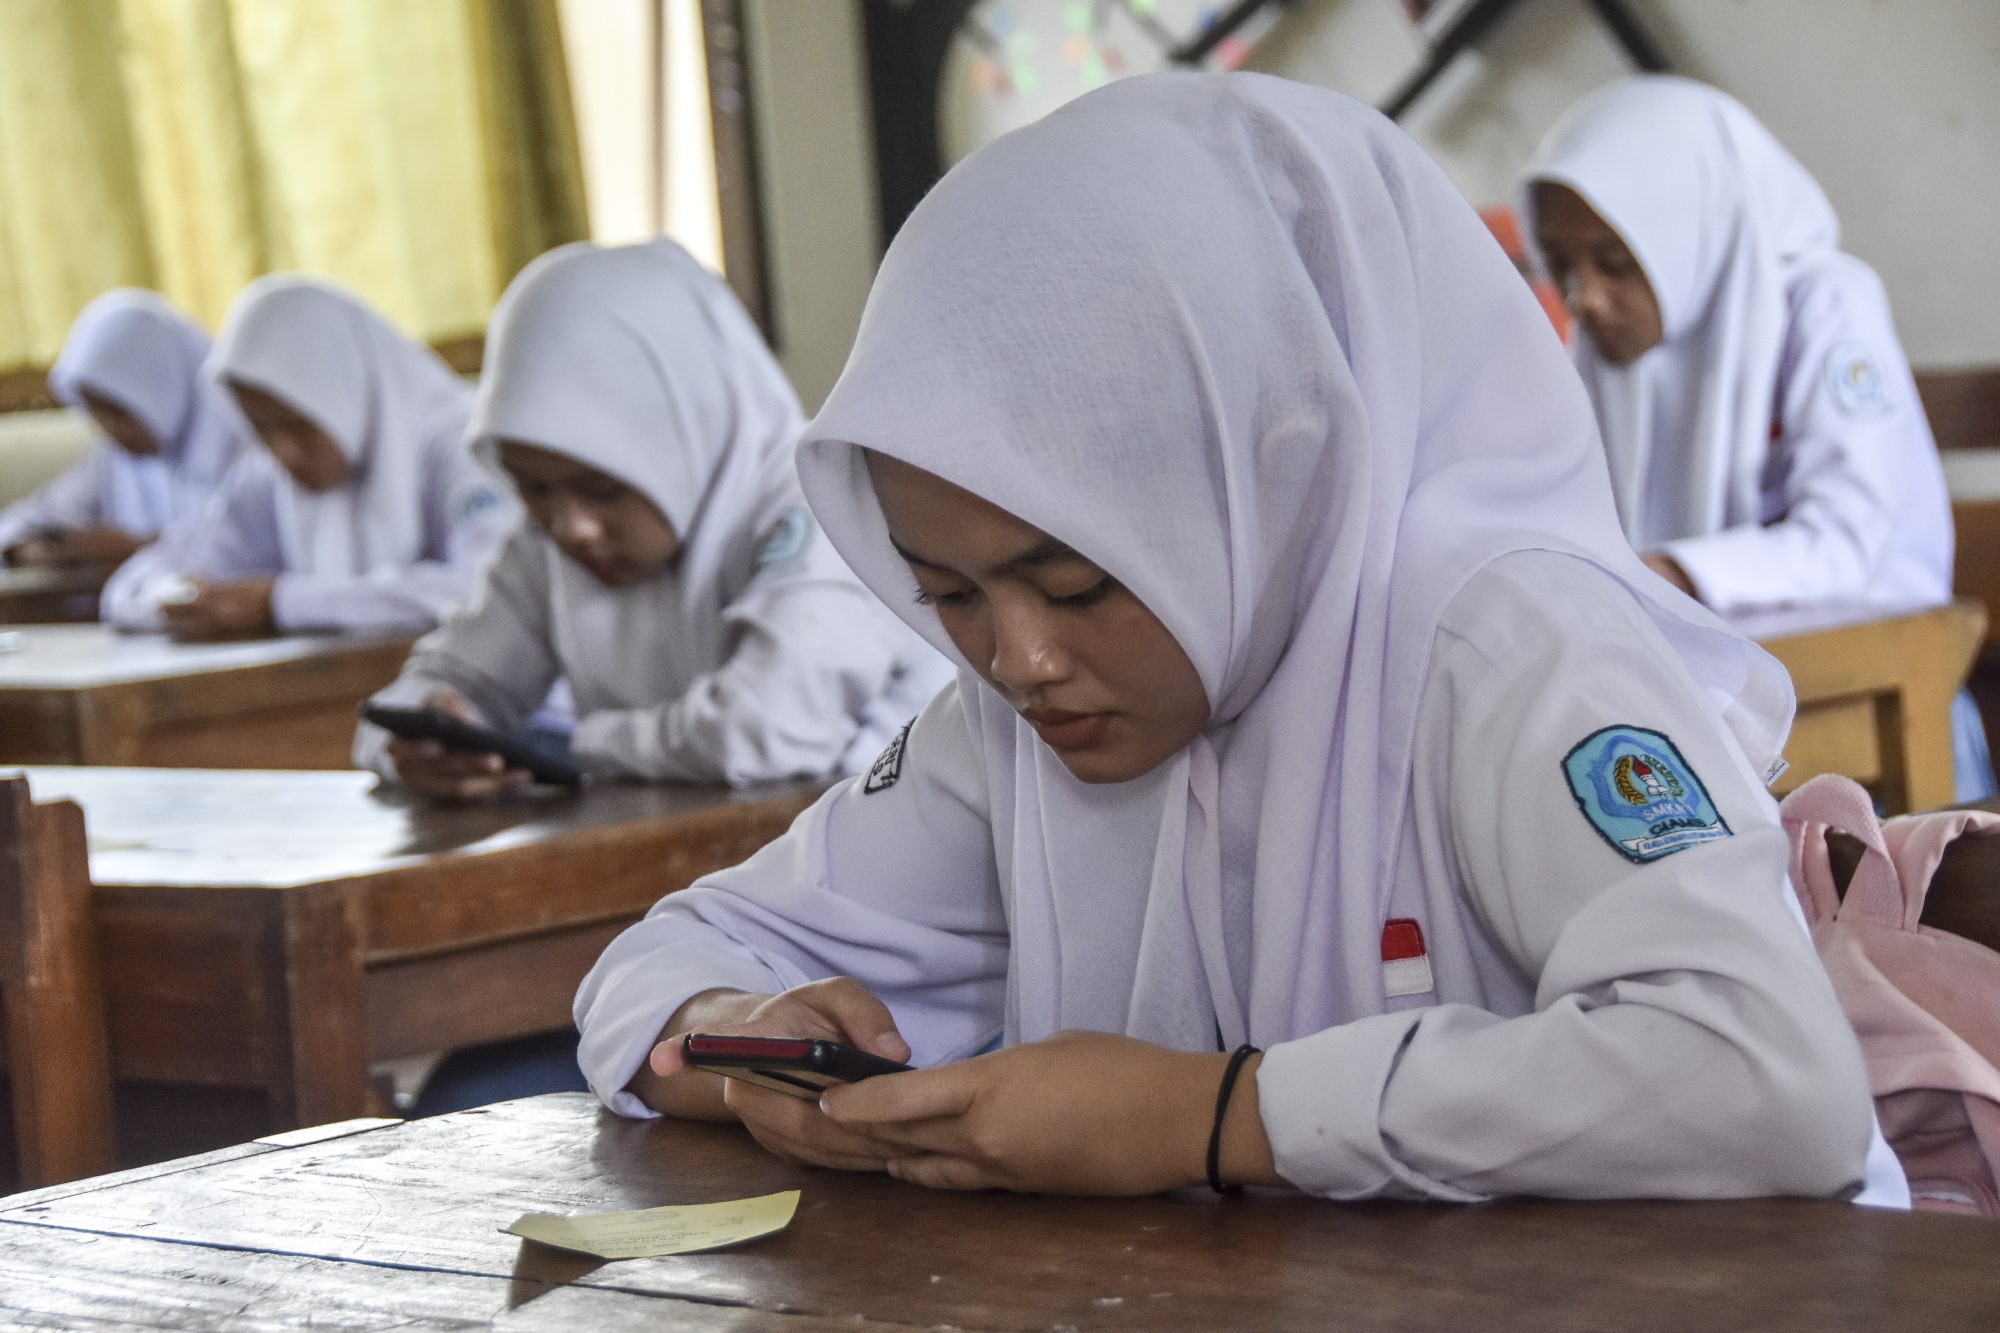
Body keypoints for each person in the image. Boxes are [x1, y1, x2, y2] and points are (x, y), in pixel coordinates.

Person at [573, 73, 1904, 1205]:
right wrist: (730, 1035)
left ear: (1274, 475)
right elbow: (672, 957)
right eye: (953, 592)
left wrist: (1220, 1116)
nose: (1018, 656)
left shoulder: (1502, 646)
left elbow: (1769, 1076)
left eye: (1078, 582)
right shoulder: (1015, 731)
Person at [355, 239, 950, 796]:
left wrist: (575, 743)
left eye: (604, 488)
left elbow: (769, 728)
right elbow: (426, 692)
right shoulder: (549, 545)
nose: (572, 527)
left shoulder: (819, 500)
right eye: (532, 488)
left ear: (684, 439)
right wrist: (421, 742)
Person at [100, 276, 517, 639]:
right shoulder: (268, 471)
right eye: (261, 428)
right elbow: (139, 580)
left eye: (297, 424)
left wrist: (283, 603)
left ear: (341, 391)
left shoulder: (460, 442)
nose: (282, 451)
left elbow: (490, 588)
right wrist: (174, 598)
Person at [0, 290, 240, 569]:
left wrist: (134, 547)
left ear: (161, 386)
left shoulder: (246, 448)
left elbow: (246, 549)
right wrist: (34, 547)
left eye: (120, 411)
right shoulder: (116, 460)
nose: (109, 429)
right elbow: (19, 523)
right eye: (95, 411)